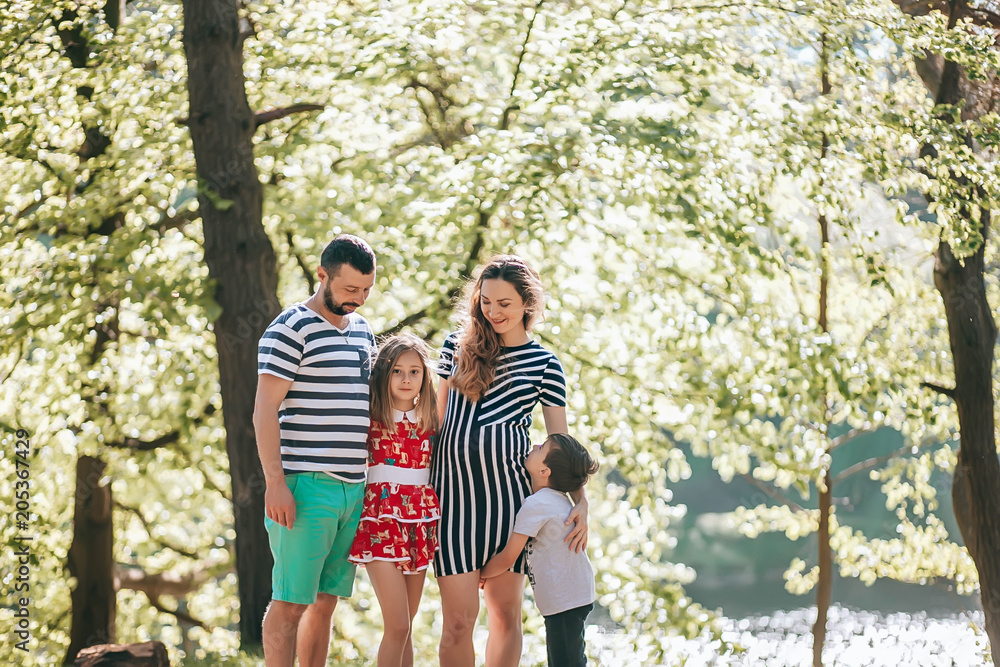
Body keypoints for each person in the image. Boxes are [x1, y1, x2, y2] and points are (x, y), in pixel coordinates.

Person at [430, 254, 589, 667]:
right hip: (451, 504)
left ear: (526, 304)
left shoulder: (546, 364)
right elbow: (433, 419)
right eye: (486, 301)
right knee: (459, 623)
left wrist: (581, 501)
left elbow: (561, 443)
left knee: (504, 617)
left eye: (504, 303)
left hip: (509, 508)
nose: (493, 312)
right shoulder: (454, 347)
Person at [253, 234, 377, 667]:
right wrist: (275, 484)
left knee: (326, 602)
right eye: (349, 290)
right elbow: (264, 410)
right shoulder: (290, 329)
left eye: (365, 290)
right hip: (305, 488)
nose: (358, 300)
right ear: (321, 275)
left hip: (354, 490)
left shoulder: (363, 331)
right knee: (291, 602)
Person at [348, 333, 440, 667]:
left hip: (420, 522)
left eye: (414, 371)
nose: (405, 379)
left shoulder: (433, 421)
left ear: (424, 377)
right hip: (380, 521)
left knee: (406, 628)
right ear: (384, 374)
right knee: (397, 624)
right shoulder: (370, 418)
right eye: (397, 371)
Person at [480, 434, 599, 667]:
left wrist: (480, 573)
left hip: (565, 600)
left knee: (566, 662)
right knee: (567, 659)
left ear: (545, 471)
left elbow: (508, 557)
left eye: (541, 447)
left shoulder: (537, 505)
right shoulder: (558, 500)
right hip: (572, 596)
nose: (534, 445)